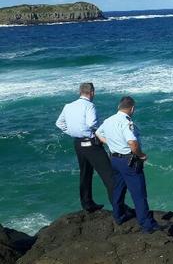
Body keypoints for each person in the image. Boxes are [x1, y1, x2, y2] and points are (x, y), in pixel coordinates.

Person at [96, 96, 161, 233]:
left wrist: (111, 143)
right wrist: (141, 155)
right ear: (132, 108)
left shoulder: (108, 120)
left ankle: (118, 216)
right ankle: (146, 225)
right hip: (129, 161)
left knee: (118, 189)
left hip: (114, 160)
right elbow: (132, 142)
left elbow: (98, 133)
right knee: (138, 194)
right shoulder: (126, 123)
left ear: (119, 107)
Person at [55, 82, 112, 212]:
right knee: (108, 174)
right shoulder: (89, 106)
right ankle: (118, 205)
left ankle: (87, 204)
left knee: (85, 173)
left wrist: (71, 132)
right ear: (92, 92)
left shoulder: (68, 106)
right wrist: (99, 132)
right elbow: (91, 123)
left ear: (80, 92)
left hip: (78, 143)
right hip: (91, 143)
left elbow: (59, 123)